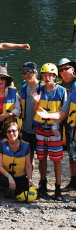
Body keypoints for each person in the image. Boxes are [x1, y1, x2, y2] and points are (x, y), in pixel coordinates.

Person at [31, 63, 68, 201]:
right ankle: (43, 185)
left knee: (57, 159)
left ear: (55, 76)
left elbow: (63, 113)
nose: (47, 77)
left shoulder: (62, 91)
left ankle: (58, 189)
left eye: (50, 75)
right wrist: (36, 101)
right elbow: (35, 112)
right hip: (41, 130)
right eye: (45, 75)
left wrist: (53, 120)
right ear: (41, 76)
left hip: (55, 131)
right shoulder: (38, 90)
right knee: (41, 158)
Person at [0, 122, 33, 198]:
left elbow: (28, 166)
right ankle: (7, 188)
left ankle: (14, 188)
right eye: (9, 131)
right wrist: (9, 177)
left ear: (18, 131)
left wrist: (30, 181)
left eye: (14, 131)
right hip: (5, 176)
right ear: (6, 133)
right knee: (3, 182)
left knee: (24, 188)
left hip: (20, 176)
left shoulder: (26, 146)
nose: (11, 133)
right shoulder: (1, 145)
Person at [57, 58, 76, 191]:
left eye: (66, 68)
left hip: (74, 123)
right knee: (71, 153)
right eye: (61, 69)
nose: (64, 71)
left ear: (73, 70)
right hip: (65, 124)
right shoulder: (58, 85)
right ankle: (73, 181)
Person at [20, 62, 40, 169]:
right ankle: (29, 181)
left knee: (41, 158)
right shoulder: (24, 86)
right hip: (26, 129)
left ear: (35, 73)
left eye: (29, 72)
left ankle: (42, 182)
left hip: (39, 129)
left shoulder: (42, 88)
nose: (26, 75)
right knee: (28, 157)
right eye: (24, 72)